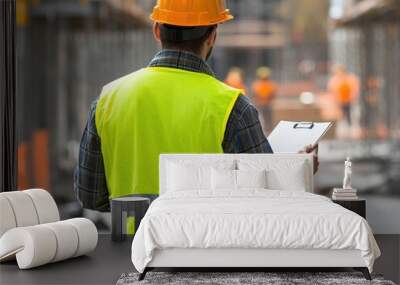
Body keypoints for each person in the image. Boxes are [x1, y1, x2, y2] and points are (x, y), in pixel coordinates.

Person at [74, 0, 318, 212]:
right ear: (212, 35)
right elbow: (266, 196)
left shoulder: (108, 101)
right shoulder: (234, 107)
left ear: (157, 30)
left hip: (129, 247)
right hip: (207, 256)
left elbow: (90, 196)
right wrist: (299, 170)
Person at [252, 66, 278, 132]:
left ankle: (265, 130)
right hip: (264, 104)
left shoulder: (257, 84)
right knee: (267, 119)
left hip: (263, 104)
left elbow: (255, 94)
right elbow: (272, 94)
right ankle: (267, 130)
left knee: (264, 119)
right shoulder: (269, 84)